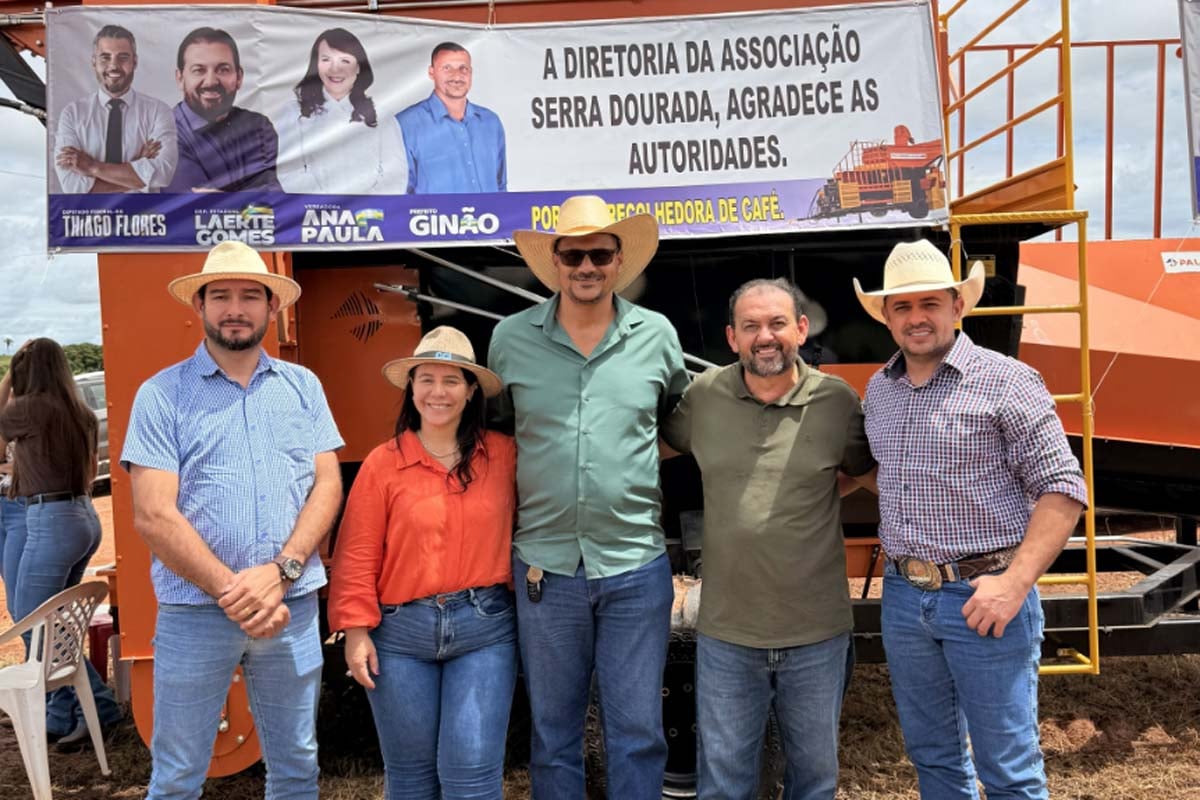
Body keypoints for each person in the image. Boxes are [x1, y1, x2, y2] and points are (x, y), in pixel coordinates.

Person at [855, 239, 1088, 799]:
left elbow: (1063, 489)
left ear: (958, 307)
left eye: (930, 304)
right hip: (906, 598)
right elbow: (889, 476)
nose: (917, 318)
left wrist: (1014, 585)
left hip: (986, 595)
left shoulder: (1007, 380)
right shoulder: (879, 391)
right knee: (933, 759)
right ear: (886, 317)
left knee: (1008, 768)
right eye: (903, 307)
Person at [121, 240, 343, 798]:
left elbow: (328, 483)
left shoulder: (304, 388)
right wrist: (236, 591)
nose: (235, 308)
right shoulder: (161, 396)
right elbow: (152, 513)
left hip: (289, 607)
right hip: (195, 613)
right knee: (176, 778)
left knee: (297, 770)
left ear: (273, 307)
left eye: (250, 295)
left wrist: (283, 571)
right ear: (198, 306)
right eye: (220, 295)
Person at [487, 194, 689, 799]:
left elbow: (676, 425)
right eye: (573, 254)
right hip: (545, 568)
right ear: (555, 261)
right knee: (553, 735)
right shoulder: (510, 339)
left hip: (633, 563)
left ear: (617, 259)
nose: (586, 266)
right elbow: (500, 436)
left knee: (637, 730)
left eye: (599, 254)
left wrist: (624, 462)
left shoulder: (656, 335)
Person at [660, 278, 875, 800]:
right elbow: (653, 450)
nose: (766, 337)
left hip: (816, 632)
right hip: (727, 633)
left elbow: (868, 473)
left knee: (814, 780)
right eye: (751, 326)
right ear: (731, 337)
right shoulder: (704, 397)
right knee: (724, 782)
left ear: (801, 329)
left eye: (778, 323)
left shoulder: (836, 402)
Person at [329, 326, 516, 799]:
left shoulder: (503, 455)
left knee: (471, 778)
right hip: (399, 635)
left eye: (451, 380)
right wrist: (355, 632)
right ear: (411, 388)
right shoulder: (383, 463)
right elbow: (356, 552)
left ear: (471, 391)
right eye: (426, 379)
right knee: (410, 779)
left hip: (484, 629)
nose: (438, 391)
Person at [0, 339, 124, 748]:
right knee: (55, 618)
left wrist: (7, 378)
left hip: (51, 518)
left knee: (32, 619)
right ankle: (62, 710)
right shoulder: (80, 411)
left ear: (25, 373)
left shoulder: (29, 407)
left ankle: (99, 706)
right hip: (82, 514)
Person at [276, 28, 406, 194]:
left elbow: (394, 176)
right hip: (314, 214)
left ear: (359, 67)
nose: (335, 69)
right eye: (326, 59)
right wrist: (328, 208)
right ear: (316, 65)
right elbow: (289, 172)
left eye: (345, 61)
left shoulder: (381, 115)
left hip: (369, 216)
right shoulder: (294, 112)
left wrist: (360, 210)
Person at [53, 25, 178, 194]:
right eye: (105, 57)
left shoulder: (158, 111)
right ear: (93, 62)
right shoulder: (73, 114)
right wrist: (137, 167)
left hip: (145, 217)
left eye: (123, 57)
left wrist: (92, 167)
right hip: (89, 219)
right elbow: (73, 187)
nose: (114, 66)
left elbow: (163, 173)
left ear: (135, 61)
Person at [165, 27, 282, 193]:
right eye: (199, 70)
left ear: (239, 77)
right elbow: (193, 209)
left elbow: (273, 201)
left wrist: (224, 201)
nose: (211, 81)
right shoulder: (164, 133)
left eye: (223, 70)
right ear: (180, 78)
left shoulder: (259, 127)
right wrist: (248, 201)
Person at [396, 42, 506, 194]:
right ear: (431, 72)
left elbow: (501, 186)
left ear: (471, 73)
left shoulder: (491, 122)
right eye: (447, 68)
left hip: (488, 217)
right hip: (434, 217)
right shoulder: (406, 124)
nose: (457, 76)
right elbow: (399, 192)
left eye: (463, 68)